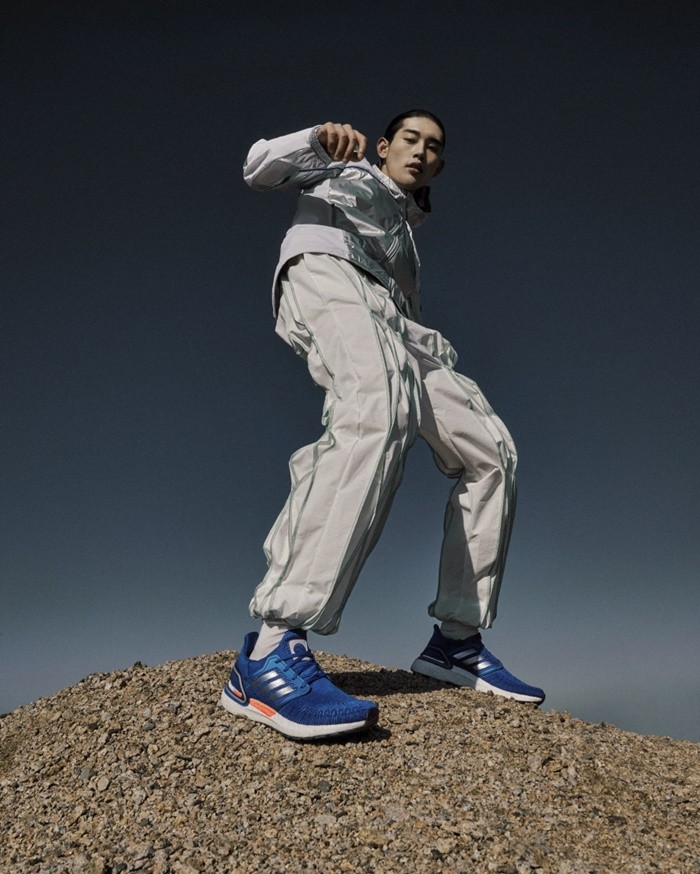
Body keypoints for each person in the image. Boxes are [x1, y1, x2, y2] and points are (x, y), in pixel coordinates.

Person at [220, 112, 545, 740]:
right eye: (411, 139)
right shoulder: (343, 168)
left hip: (398, 323)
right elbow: (258, 167)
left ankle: (455, 641)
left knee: (491, 453)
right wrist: (315, 140)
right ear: (386, 145)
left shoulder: (407, 237)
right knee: (377, 408)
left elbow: (402, 307)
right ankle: (271, 647)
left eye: (435, 147)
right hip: (328, 277)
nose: (421, 151)